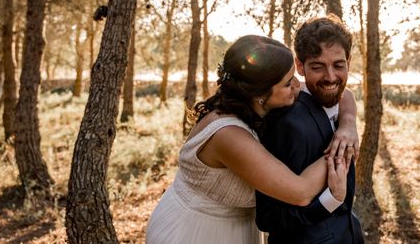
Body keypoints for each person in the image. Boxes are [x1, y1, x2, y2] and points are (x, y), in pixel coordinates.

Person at [146, 35, 359, 244]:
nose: (297, 86)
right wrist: (341, 149)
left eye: (294, 77)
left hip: (239, 227)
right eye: (287, 83)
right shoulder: (228, 136)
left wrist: (347, 125)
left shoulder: (257, 99)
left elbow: (344, 94)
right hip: (196, 231)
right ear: (260, 93)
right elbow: (301, 191)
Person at [256, 16, 365, 243]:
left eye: (338, 65)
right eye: (317, 67)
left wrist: (348, 122)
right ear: (299, 66)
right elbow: (269, 217)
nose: (331, 77)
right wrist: (331, 200)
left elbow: (347, 96)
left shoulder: (337, 101)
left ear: (349, 62)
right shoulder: (289, 125)